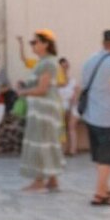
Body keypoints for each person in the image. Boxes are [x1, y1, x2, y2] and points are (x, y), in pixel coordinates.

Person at [74, 29, 110, 205]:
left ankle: (105, 188)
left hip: (91, 114)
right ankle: (100, 193)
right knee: (107, 157)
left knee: (100, 156)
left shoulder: (91, 60)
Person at [18, 30, 65, 192]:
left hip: (44, 110)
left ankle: (39, 181)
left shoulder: (48, 63)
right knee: (47, 141)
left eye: (35, 42)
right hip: (42, 109)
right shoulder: (43, 62)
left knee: (40, 142)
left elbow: (42, 88)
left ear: (46, 44)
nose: (33, 45)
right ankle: (52, 179)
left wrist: (23, 92)